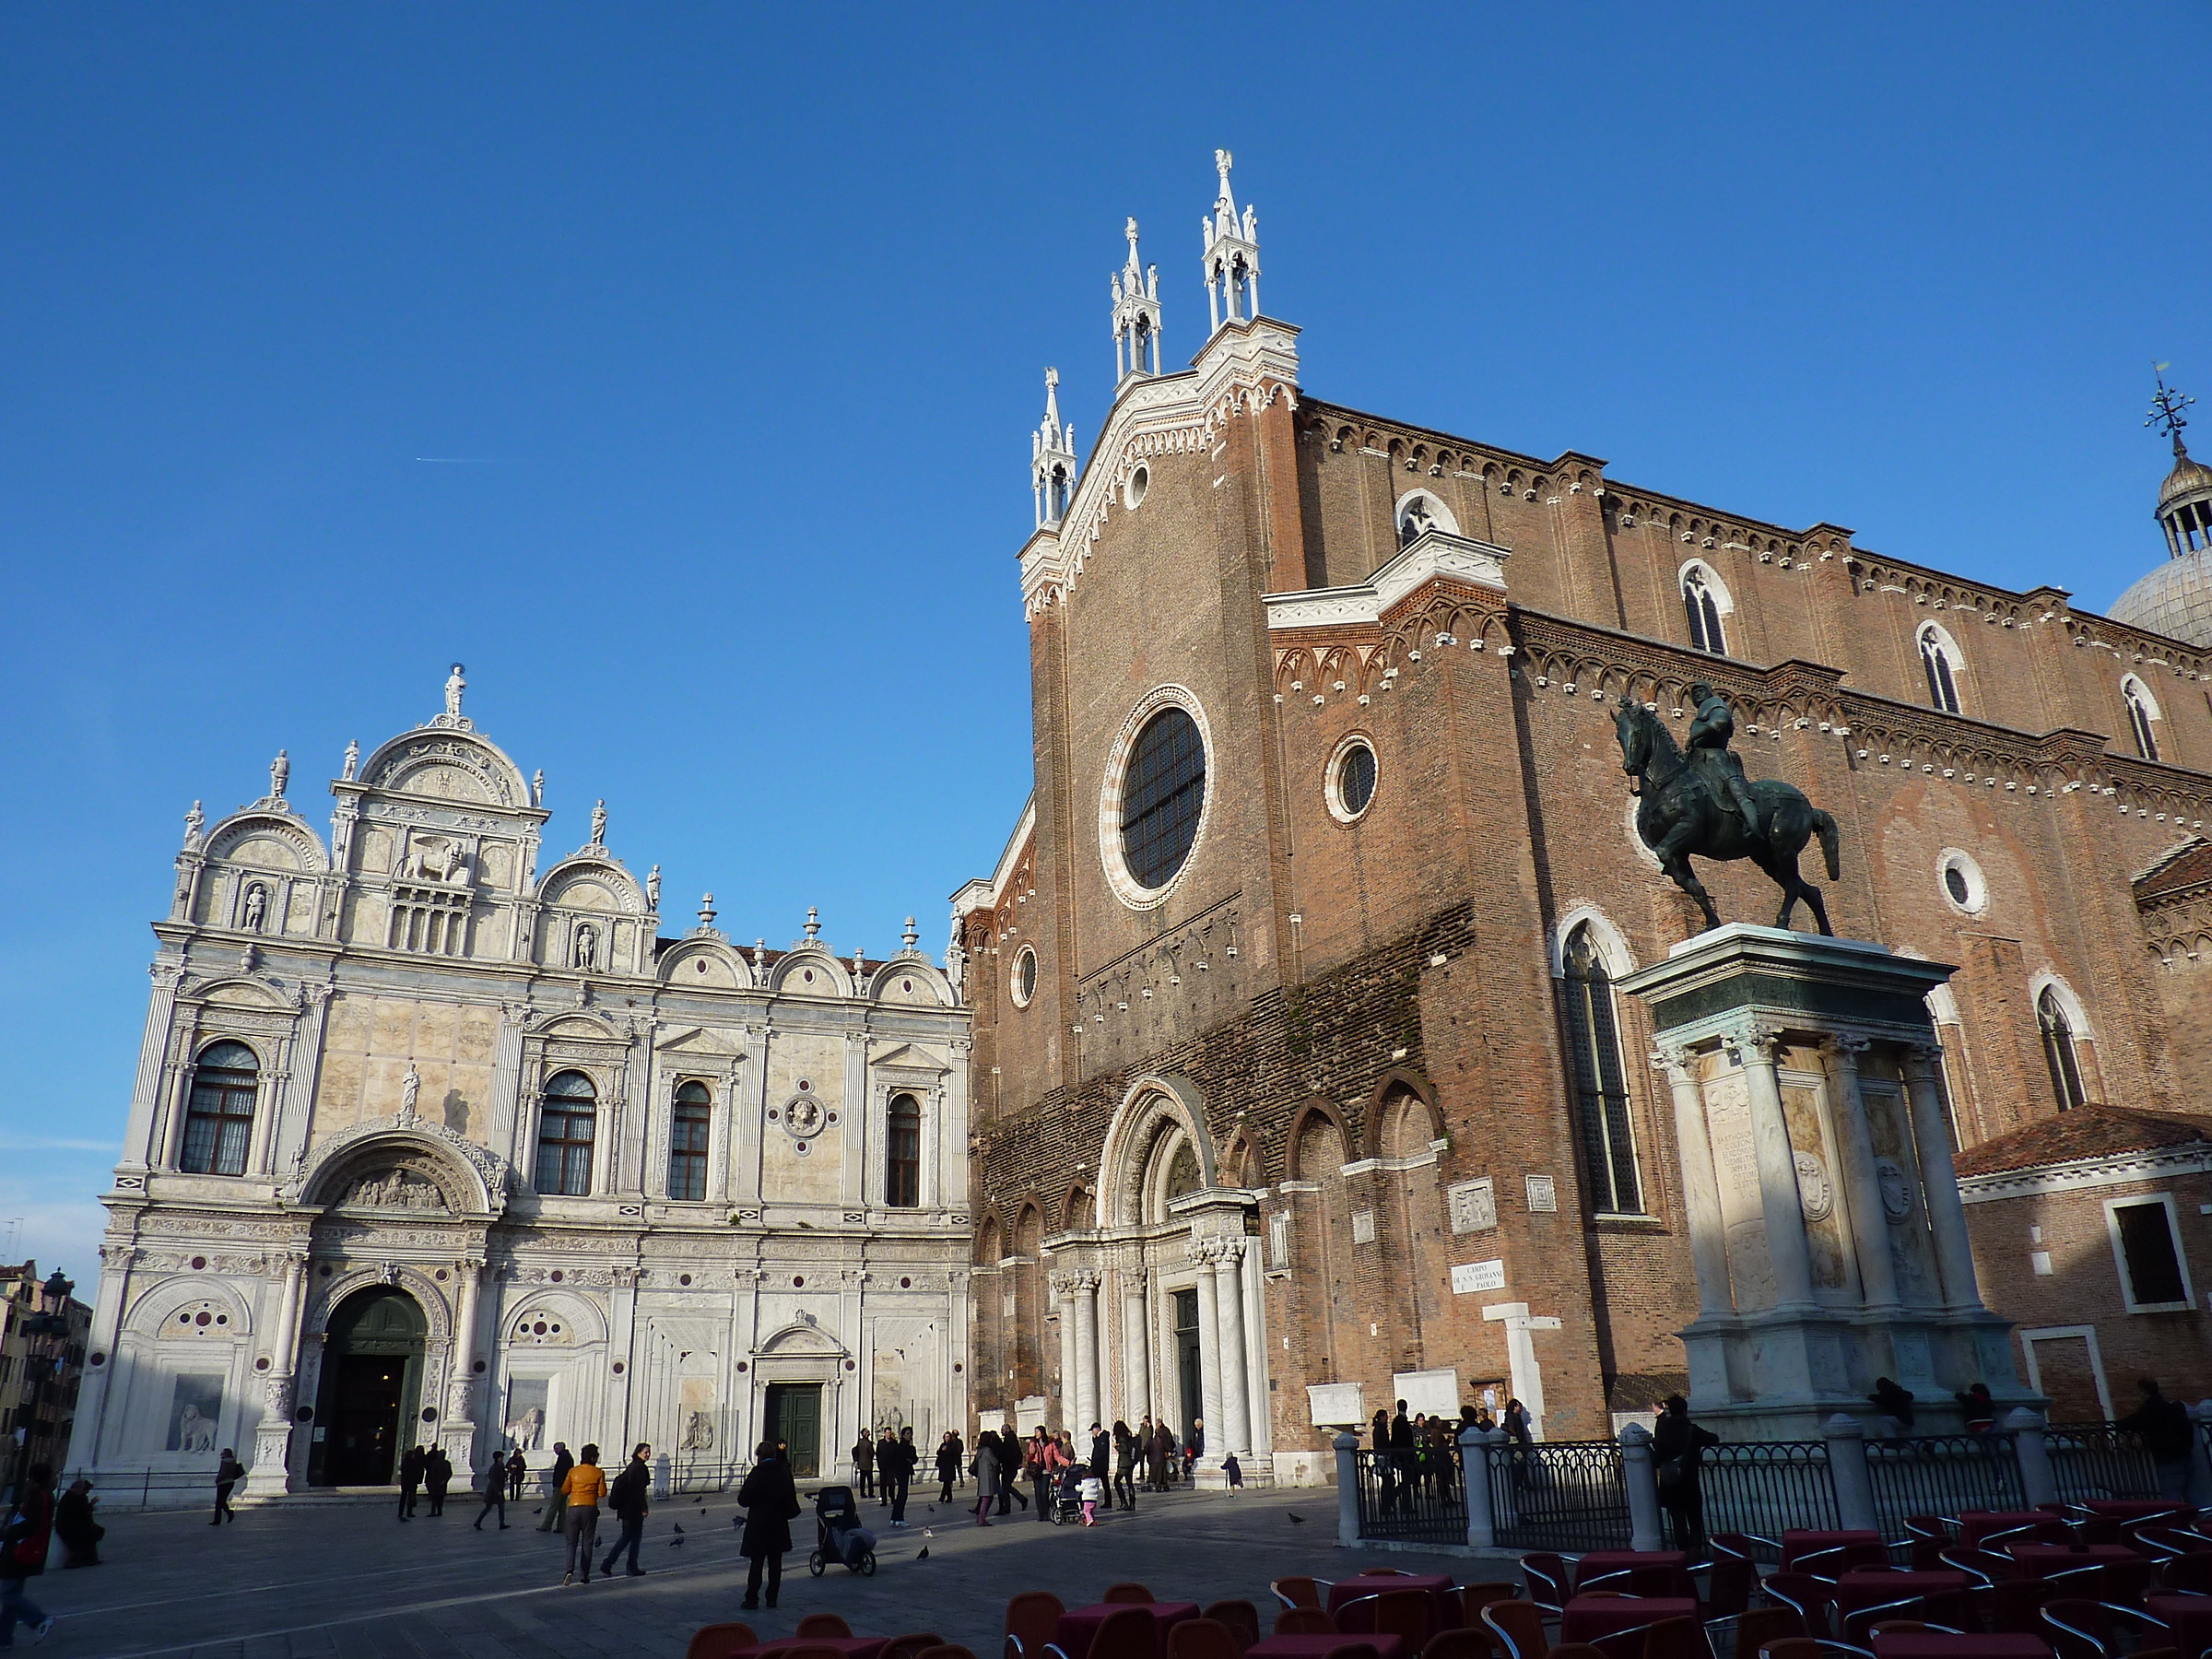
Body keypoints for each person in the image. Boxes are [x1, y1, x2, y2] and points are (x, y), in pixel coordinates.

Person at [1686, 681, 1764, 839]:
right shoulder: (1701, 712)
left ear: (1709, 692)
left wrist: (1694, 737)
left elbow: (1719, 723)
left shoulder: (1716, 704)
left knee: (1735, 788)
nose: (1697, 694)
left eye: (1701, 690)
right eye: (1694, 693)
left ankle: (1753, 827)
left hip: (1717, 758)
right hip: (1698, 759)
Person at [736, 1441, 800, 1610]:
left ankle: (752, 1599)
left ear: (759, 1456)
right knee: (775, 1563)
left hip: (758, 1525)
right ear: (773, 1455)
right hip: (778, 1524)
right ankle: (772, 1599)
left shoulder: (756, 1474)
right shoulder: (784, 1473)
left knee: (756, 1563)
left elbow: (743, 1500)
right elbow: (791, 1500)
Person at [1652, 1395, 1718, 1554]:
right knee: (1694, 1519)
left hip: (1670, 1482)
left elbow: (1657, 1456)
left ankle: (1683, 1552)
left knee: (1677, 1520)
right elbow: (1714, 1439)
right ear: (1685, 1410)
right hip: (1689, 1480)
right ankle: (1695, 1552)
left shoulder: (1662, 1430)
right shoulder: (1691, 1430)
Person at [0, 1463, 55, 1648]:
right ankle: (4, 1638)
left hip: (22, 1550)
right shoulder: (43, 1495)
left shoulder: (39, 1497)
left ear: (32, 1478)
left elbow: (31, 1524)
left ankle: (39, 1619)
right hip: (26, 1551)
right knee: (12, 1596)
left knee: (6, 1594)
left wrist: (10, 1531)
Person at [2121, 1377, 2196, 1500]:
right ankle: (2197, 1517)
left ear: (2143, 1391)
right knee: (2192, 1493)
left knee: (2172, 1495)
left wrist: (2115, 1425)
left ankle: (2180, 1518)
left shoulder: (2150, 1408)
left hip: (2167, 1458)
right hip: (2185, 1455)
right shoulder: (2172, 1406)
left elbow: (2134, 1421)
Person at [599, 1443, 652, 1577]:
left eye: (649, 1452)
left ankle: (610, 1563)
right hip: (633, 1509)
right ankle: (627, 1566)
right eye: (645, 1452)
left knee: (627, 1537)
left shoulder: (632, 1466)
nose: (648, 1455)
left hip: (626, 1509)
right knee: (633, 1538)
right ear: (638, 1452)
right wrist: (644, 1508)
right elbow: (638, 1491)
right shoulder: (639, 1468)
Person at [559, 1443, 607, 1585]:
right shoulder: (598, 1472)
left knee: (571, 1542)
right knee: (587, 1542)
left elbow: (564, 1490)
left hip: (574, 1507)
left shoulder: (573, 1471)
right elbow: (602, 1493)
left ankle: (569, 1570)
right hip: (590, 1508)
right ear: (593, 1457)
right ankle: (584, 1575)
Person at [54, 1479, 100, 1569]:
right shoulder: (74, 1497)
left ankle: (87, 1558)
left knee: (91, 1532)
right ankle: (84, 1559)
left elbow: (82, 1513)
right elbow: (81, 1512)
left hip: (70, 1525)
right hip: (69, 1527)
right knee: (88, 1534)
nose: (86, 1493)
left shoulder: (72, 1496)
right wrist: (91, 1505)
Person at [535, 1442, 573, 1533]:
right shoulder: (568, 1457)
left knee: (554, 1506)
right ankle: (561, 1527)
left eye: (557, 1448)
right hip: (565, 1485)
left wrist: (557, 1484)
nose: (555, 1451)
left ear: (562, 1448)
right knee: (562, 1507)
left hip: (560, 1485)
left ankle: (546, 1525)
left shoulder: (563, 1457)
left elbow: (560, 1473)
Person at [886, 1426, 916, 1526]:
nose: (909, 1435)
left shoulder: (910, 1447)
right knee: (903, 1494)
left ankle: (894, 1518)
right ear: (903, 1435)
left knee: (901, 1495)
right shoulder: (902, 1446)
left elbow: (914, 1459)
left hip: (904, 1471)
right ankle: (899, 1518)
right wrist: (909, 1458)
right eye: (907, 1433)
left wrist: (909, 1458)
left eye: (910, 1433)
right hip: (902, 1471)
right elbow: (903, 1458)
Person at [971, 1430, 1001, 1527]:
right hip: (989, 1475)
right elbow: (995, 1461)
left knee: (987, 1497)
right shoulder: (987, 1450)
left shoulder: (980, 1450)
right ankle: (981, 1518)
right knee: (987, 1497)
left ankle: (981, 1517)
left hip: (982, 1476)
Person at [473, 1456, 509, 1531]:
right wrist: (497, 1490)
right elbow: (493, 1480)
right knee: (489, 1507)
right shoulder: (494, 1468)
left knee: (499, 1507)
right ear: (498, 1458)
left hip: (497, 1489)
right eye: (501, 1457)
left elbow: (502, 1477)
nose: (502, 1459)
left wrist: (506, 1473)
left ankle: (501, 1523)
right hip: (494, 1490)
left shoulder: (500, 1467)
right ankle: (478, 1522)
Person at [212, 1447, 245, 1524]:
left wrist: (217, 1480)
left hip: (223, 1483)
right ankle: (227, 1514)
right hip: (230, 1482)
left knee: (219, 1502)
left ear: (226, 1454)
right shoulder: (233, 1462)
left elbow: (222, 1473)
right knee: (222, 1501)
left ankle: (219, 1518)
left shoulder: (225, 1462)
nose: (221, 1455)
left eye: (222, 1453)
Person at [1112, 1420, 1138, 1512]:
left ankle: (1124, 1503)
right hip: (1130, 1463)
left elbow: (1124, 1449)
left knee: (1116, 1482)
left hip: (1124, 1464)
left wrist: (1116, 1447)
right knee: (1129, 1483)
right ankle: (1132, 1504)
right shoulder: (1128, 1436)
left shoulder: (1121, 1438)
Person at [1028, 1429, 1053, 1521]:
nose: (1036, 1434)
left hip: (1046, 1471)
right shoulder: (1033, 1443)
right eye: (1035, 1432)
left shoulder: (1050, 1444)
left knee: (1044, 1492)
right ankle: (1041, 1514)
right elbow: (1029, 1457)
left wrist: (1068, 1463)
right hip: (1036, 1471)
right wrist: (1032, 1449)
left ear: (1042, 1433)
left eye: (1038, 1432)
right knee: (1038, 1493)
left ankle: (1046, 1513)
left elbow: (1057, 1456)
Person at [397, 1444, 424, 1522]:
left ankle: (401, 1512)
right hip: (411, 1483)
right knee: (410, 1497)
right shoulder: (412, 1463)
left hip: (405, 1483)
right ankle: (408, 1512)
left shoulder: (405, 1463)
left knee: (404, 1497)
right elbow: (414, 1473)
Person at [425, 1447, 452, 1517]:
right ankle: (439, 1511)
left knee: (435, 1498)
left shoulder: (435, 1463)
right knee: (441, 1498)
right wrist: (445, 1480)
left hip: (435, 1483)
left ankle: (433, 1512)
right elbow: (450, 1473)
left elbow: (432, 1473)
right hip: (443, 1483)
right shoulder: (447, 1463)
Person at [935, 1431, 960, 1503]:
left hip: (949, 1466)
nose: (947, 1438)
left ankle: (942, 1497)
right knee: (947, 1482)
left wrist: (947, 1450)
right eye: (946, 1437)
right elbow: (938, 1453)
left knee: (947, 1482)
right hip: (943, 1466)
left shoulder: (953, 1445)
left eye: (948, 1437)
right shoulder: (943, 1445)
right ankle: (949, 1497)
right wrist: (942, 1450)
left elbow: (955, 1454)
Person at [853, 1429, 876, 1499]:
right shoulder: (869, 1443)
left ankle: (862, 1493)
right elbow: (872, 1453)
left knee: (862, 1480)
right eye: (868, 1432)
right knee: (869, 1480)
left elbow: (855, 1450)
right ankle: (870, 1493)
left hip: (861, 1463)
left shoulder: (860, 1442)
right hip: (868, 1463)